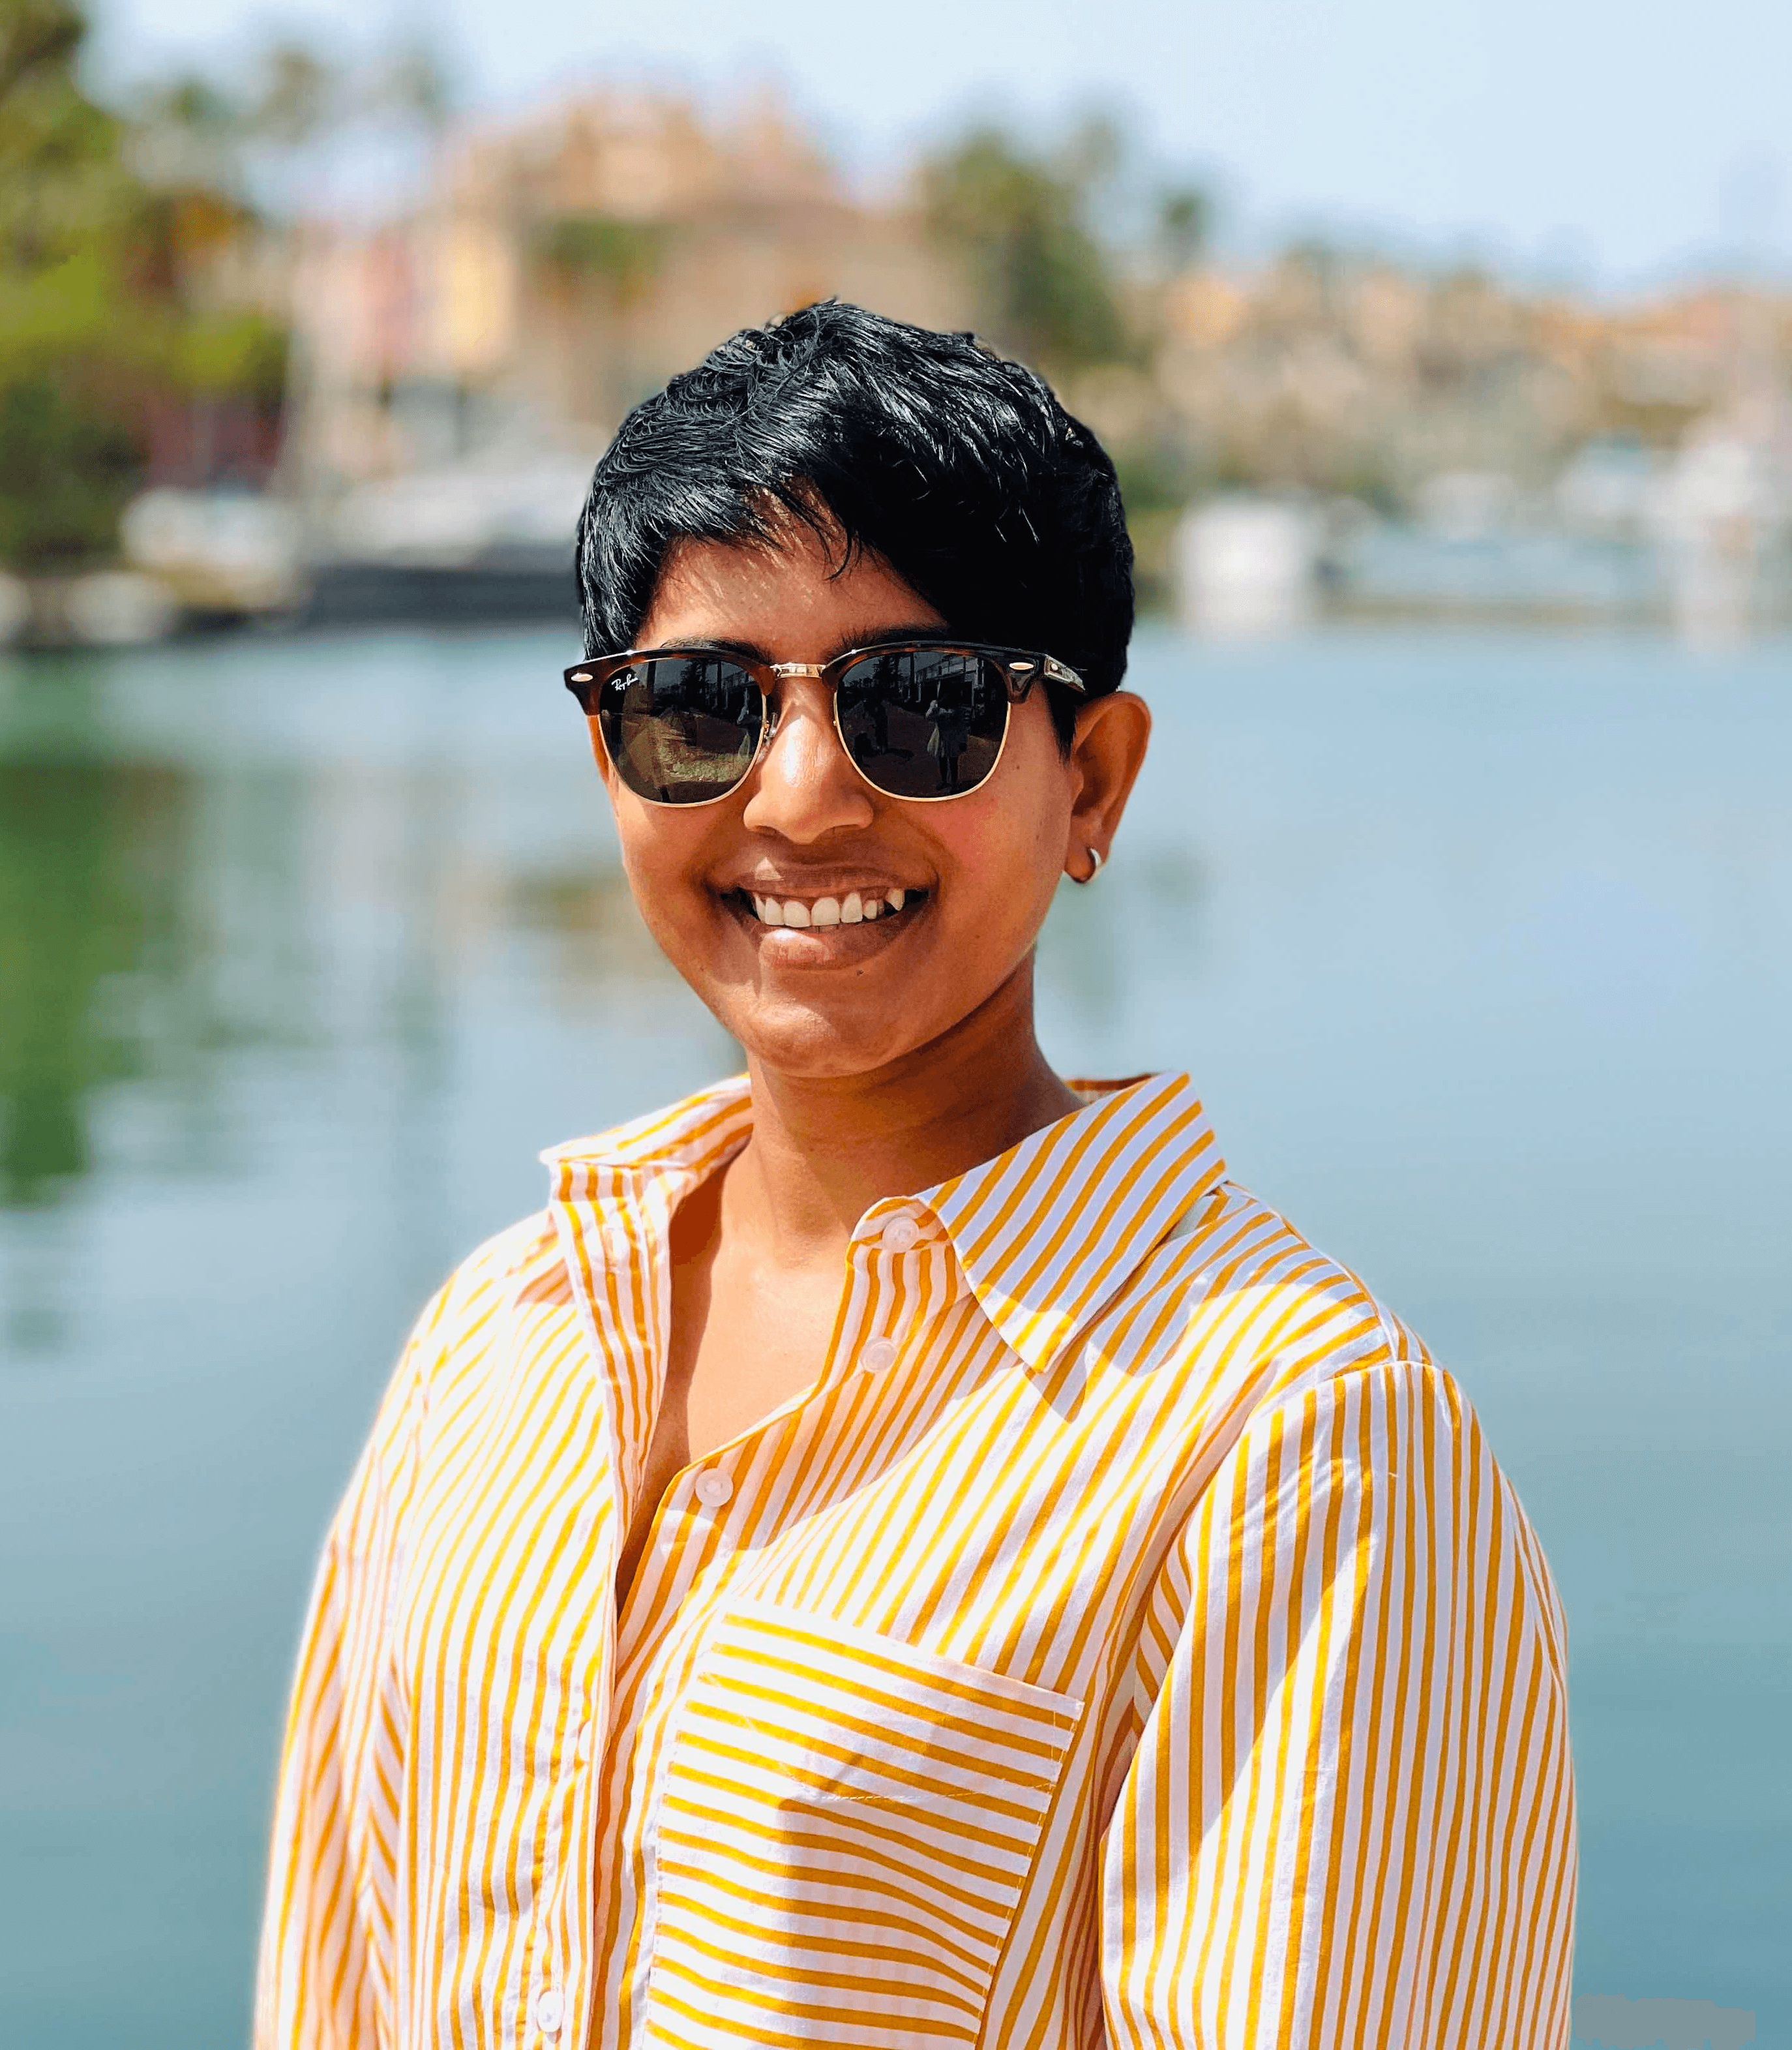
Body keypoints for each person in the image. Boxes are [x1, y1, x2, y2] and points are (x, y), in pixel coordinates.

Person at [255, 301, 1575, 2049]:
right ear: (611, 762)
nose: (797, 800)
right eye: (699, 707)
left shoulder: (1294, 1451)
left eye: (923, 704)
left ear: (1089, 779)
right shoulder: (499, 1341)